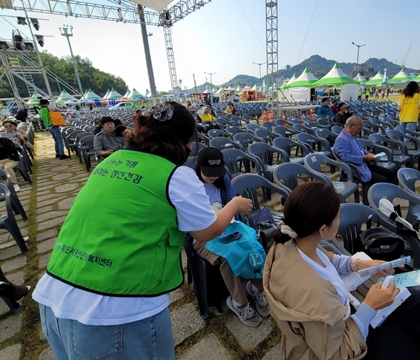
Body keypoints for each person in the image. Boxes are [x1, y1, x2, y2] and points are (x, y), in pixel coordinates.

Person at [33, 102, 254, 360]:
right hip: (116, 312)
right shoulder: (176, 176)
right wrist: (234, 204)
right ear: (184, 141)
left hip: (54, 294)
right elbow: (207, 231)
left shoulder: (112, 160)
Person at [264, 181, 420, 360]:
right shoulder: (314, 293)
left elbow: (325, 259)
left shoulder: (290, 243)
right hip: (342, 338)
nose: (340, 218)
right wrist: (370, 305)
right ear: (322, 230)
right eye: (338, 216)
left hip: (339, 316)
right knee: (412, 343)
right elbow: (339, 353)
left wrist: (357, 264)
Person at [193, 147, 269, 327]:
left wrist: (235, 216)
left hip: (227, 228)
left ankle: (257, 287)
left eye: (216, 173)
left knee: (252, 245)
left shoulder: (224, 180)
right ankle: (239, 302)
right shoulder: (191, 185)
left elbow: (232, 207)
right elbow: (192, 221)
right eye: (208, 173)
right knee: (229, 255)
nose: (213, 177)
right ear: (198, 168)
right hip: (202, 236)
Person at [334, 116, 395, 201]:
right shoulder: (341, 139)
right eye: (358, 129)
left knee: (390, 173)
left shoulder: (351, 136)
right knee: (383, 180)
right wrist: (363, 158)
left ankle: (384, 196)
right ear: (351, 126)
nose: (359, 131)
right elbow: (345, 157)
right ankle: (375, 198)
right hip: (355, 168)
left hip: (363, 164)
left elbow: (360, 149)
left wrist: (368, 154)